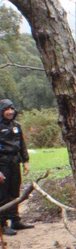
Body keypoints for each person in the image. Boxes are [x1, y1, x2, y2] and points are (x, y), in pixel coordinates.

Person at [0, 99, 33, 236]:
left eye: (12, 109)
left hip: (15, 162)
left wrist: (25, 161)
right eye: (7, 109)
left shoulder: (16, 125)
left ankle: (15, 220)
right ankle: (2, 224)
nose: (10, 112)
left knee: (15, 191)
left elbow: (22, 144)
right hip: (2, 163)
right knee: (2, 194)